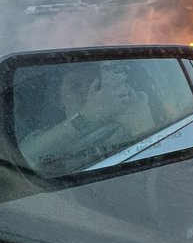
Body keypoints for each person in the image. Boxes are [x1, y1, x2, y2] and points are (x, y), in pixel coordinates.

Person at [18, 62, 157, 176]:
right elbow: (24, 159)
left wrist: (141, 121)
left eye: (96, 85)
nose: (88, 93)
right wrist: (85, 117)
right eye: (76, 86)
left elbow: (155, 166)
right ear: (58, 100)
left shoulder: (124, 126)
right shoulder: (46, 136)